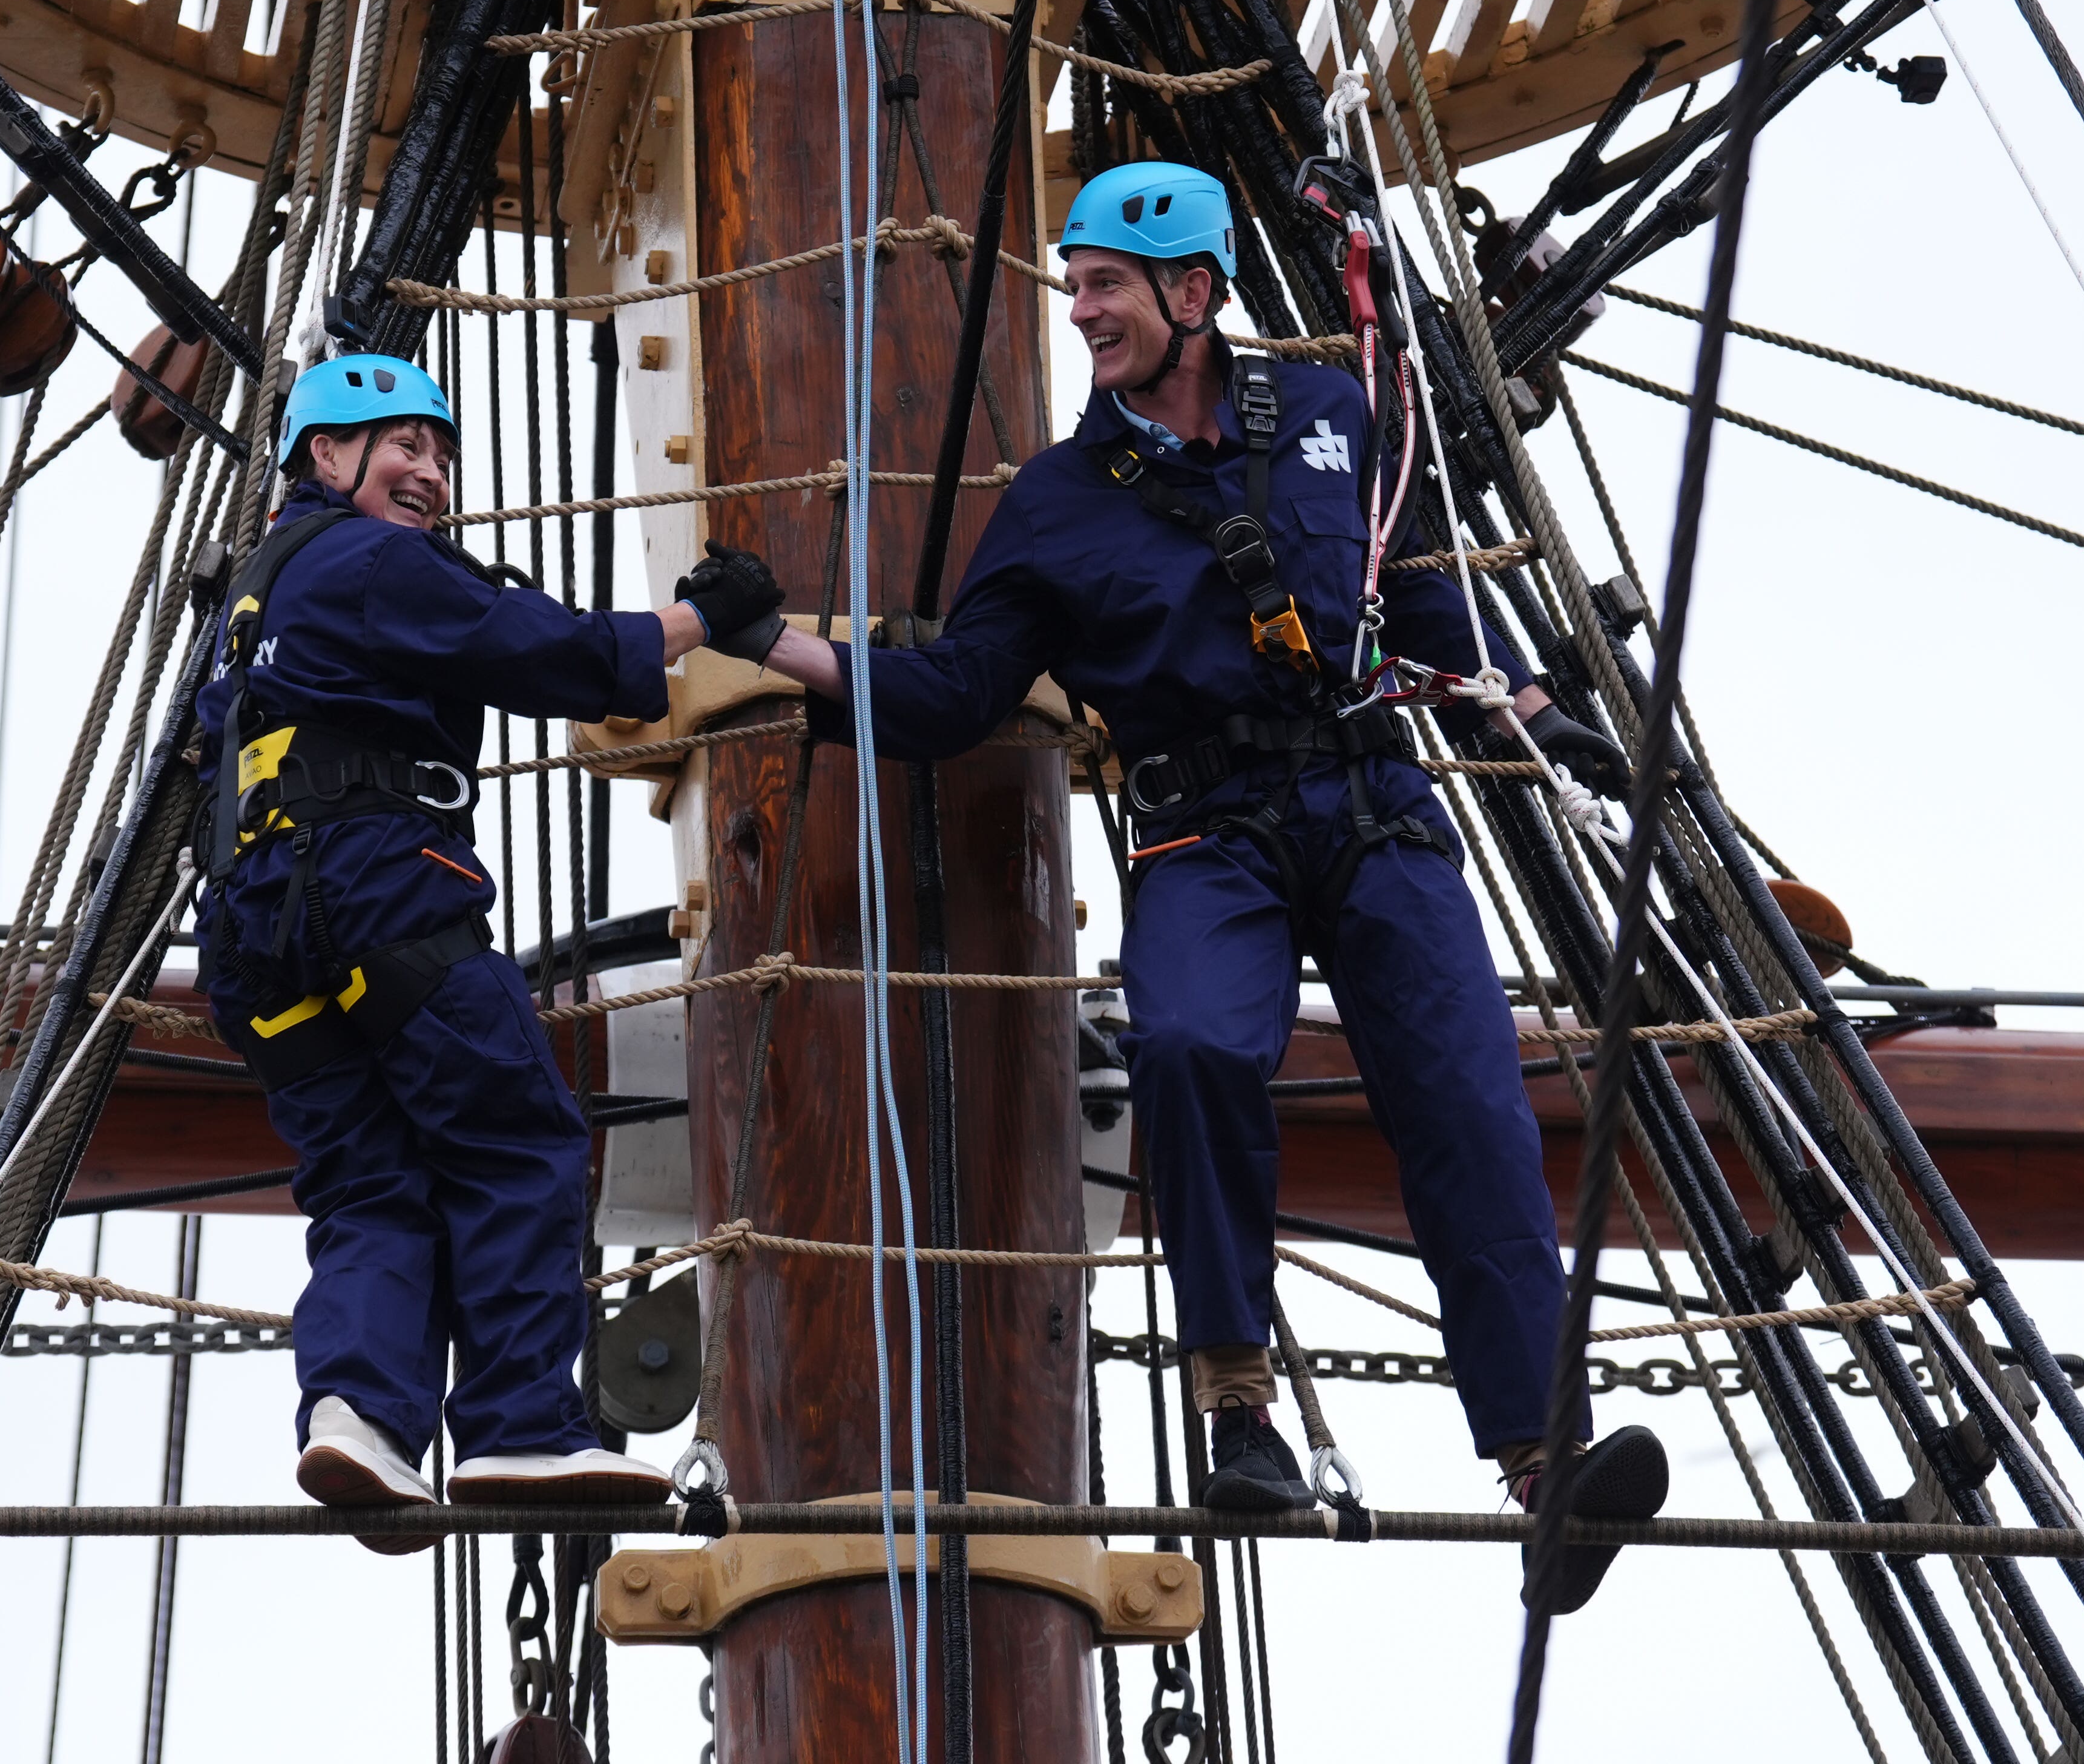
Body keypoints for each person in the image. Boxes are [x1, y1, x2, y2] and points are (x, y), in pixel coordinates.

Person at [758, 162, 1668, 1612]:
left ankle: (1541, 1457)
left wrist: (1541, 709)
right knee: (1190, 1044)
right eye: (1075, 286)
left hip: (1373, 799)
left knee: (1468, 1095)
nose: (1082, 311)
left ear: (1193, 293)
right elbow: (954, 693)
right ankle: (1237, 1403)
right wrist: (789, 649)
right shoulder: (1057, 502)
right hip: (1205, 826)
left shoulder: (1326, 416)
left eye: (1104, 285)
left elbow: (1414, 580)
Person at [194, 352, 786, 1549]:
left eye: (440, 451)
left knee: (372, 1189)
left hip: (258, 937)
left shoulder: (248, 603)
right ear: (324, 456)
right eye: (402, 445)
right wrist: (697, 619)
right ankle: (521, 1421)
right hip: (378, 890)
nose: (431, 472)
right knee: (517, 1139)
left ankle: (359, 1417)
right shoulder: (364, 562)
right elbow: (527, 645)